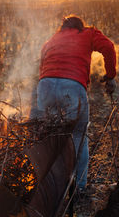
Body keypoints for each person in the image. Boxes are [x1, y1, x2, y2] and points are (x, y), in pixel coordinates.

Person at [36, 15, 117, 191]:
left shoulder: (53, 39)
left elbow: (42, 61)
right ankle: (79, 188)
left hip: (45, 85)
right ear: (80, 25)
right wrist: (110, 76)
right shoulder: (88, 33)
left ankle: (46, 185)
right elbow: (109, 47)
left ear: (63, 27)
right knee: (79, 136)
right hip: (72, 86)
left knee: (48, 136)